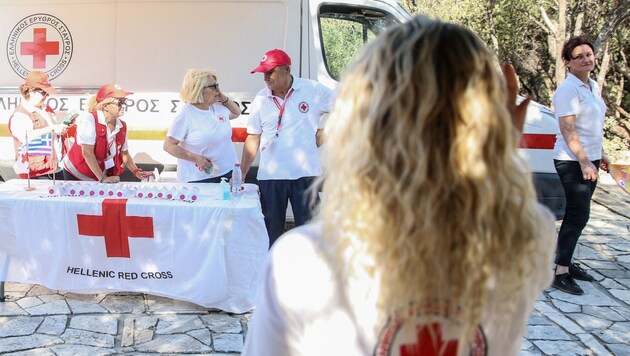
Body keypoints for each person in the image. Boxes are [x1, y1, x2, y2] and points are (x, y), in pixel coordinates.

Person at [243, 17, 556, 355]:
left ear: (365, 122)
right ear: (489, 121)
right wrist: (498, 149)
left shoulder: (302, 259)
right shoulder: (528, 235)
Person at [241, 49, 336, 246]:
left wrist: (328, 131)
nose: (266, 77)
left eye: (271, 72)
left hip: (305, 175)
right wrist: (242, 174)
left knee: (309, 232)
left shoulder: (312, 90)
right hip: (271, 177)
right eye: (264, 73)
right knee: (270, 232)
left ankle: (308, 271)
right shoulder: (260, 99)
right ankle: (269, 273)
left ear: (287, 69)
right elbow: (253, 138)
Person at [551, 37, 610, 295]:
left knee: (578, 216)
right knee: (578, 215)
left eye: (589, 54)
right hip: (572, 160)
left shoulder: (592, 86)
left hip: (591, 158)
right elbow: (567, 129)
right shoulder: (568, 90)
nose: (586, 59)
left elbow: (593, 126)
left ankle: (566, 261)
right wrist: (585, 161)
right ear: (567, 62)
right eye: (579, 56)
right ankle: (560, 273)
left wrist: (601, 154)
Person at [163, 69, 241, 183]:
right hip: (198, 178)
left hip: (227, 173)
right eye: (213, 86)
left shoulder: (219, 108)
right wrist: (196, 159)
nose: (217, 90)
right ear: (199, 89)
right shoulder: (185, 114)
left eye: (217, 86)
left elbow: (237, 112)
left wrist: (223, 97)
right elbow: (168, 146)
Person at [63, 83, 150, 182]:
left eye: (124, 102)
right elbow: (87, 153)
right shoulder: (89, 119)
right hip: (76, 174)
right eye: (119, 103)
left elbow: (124, 153)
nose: (123, 106)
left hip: (99, 175)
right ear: (105, 106)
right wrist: (103, 178)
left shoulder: (122, 126)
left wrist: (136, 172)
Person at [8, 71, 66, 179]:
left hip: (55, 169)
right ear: (30, 90)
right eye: (43, 92)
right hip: (35, 174)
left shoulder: (46, 109)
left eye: (47, 93)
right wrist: (51, 129)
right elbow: (26, 137)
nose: (46, 96)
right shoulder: (20, 114)